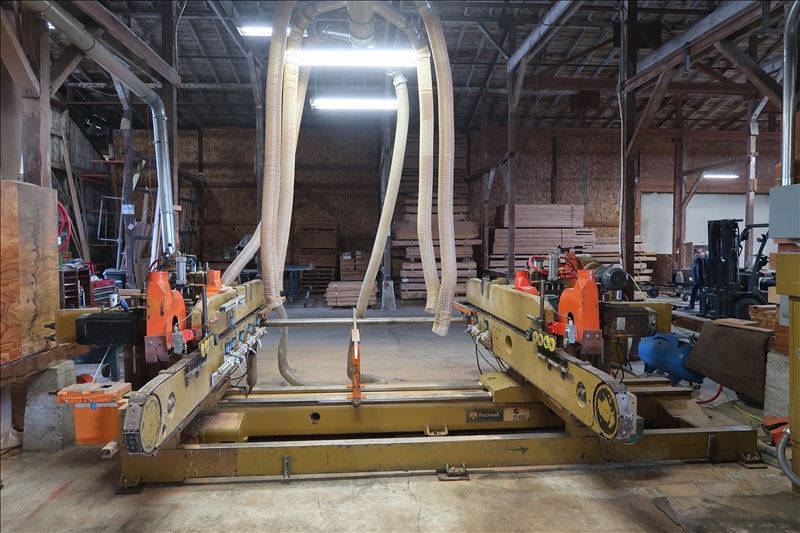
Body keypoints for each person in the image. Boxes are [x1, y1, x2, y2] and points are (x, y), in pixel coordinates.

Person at [687, 246, 707, 310]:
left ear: (704, 252)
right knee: (694, 293)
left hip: (704, 280)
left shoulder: (706, 259)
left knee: (703, 293)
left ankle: (704, 307)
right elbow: (694, 269)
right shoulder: (696, 260)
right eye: (697, 253)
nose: (698, 254)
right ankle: (691, 305)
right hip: (696, 279)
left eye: (699, 252)